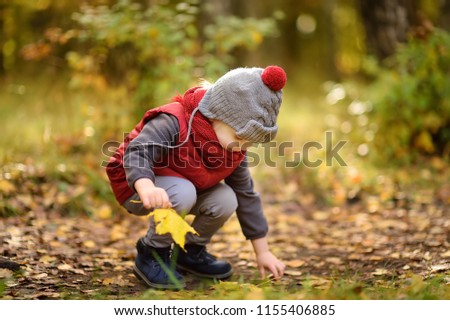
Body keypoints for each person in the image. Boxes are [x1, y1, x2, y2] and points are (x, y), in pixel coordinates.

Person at [106, 66, 287, 289]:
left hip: (180, 186)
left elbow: (246, 195)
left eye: (249, 143)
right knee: (183, 192)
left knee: (227, 198)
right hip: (134, 182)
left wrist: (264, 252)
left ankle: (188, 252)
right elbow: (138, 152)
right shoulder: (174, 120)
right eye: (239, 138)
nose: (242, 148)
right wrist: (146, 186)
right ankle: (153, 252)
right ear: (217, 115)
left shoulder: (233, 149)